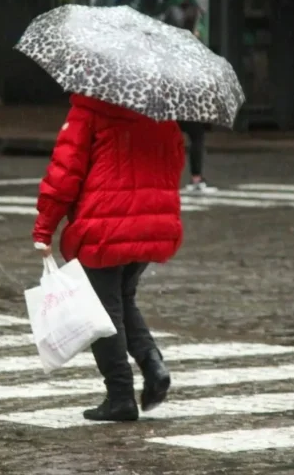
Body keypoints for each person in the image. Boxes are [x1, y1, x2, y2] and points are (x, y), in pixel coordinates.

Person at [32, 93, 184, 422]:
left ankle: (120, 396)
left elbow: (64, 173)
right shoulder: (161, 110)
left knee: (101, 312)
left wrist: (44, 228)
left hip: (104, 225)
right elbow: (174, 163)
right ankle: (152, 364)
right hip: (149, 223)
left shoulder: (90, 107)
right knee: (119, 300)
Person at [165, 0, 218, 193]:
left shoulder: (171, 43)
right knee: (196, 137)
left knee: (172, 139)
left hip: (174, 101)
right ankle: (196, 179)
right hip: (189, 100)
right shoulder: (191, 46)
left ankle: (167, 178)